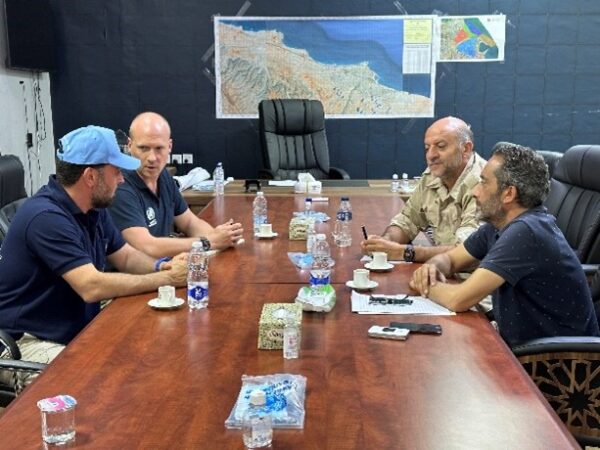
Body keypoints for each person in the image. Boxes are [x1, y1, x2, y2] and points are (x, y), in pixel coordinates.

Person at [0, 125, 188, 370]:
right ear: (90, 177)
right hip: (25, 341)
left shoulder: (93, 208)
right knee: (101, 380)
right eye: (116, 172)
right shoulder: (45, 217)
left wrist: (162, 265)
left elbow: (126, 257)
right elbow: (91, 286)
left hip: (70, 322)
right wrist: (166, 278)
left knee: (150, 343)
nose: (122, 179)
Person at [410, 143, 599, 346]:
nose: (475, 191)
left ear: (508, 194)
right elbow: (451, 259)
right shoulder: (500, 225)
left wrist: (426, 284)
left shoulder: (526, 233)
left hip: (555, 364)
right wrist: (432, 267)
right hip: (522, 349)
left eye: (483, 183)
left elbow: (459, 299)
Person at [109, 112, 243, 258]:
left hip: (162, 270)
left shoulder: (163, 176)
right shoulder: (120, 186)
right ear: (129, 145)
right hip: (131, 277)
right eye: (144, 148)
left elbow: (190, 223)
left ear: (169, 146)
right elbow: (147, 247)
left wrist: (222, 238)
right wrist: (209, 242)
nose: (152, 158)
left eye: (159, 148)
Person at [361, 116, 486, 263]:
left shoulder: (485, 184)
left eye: (440, 146)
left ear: (465, 149)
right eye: (427, 148)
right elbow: (408, 221)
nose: (431, 155)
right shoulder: (434, 175)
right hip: (443, 270)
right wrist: (385, 243)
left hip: (473, 279)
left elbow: (467, 251)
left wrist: (404, 252)